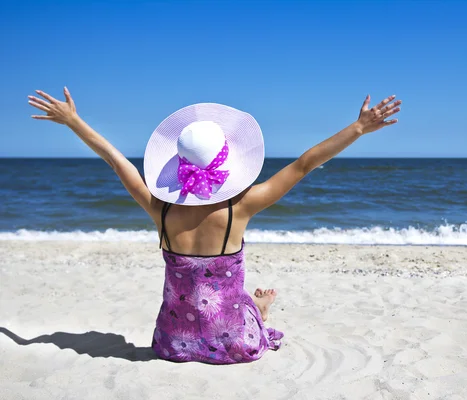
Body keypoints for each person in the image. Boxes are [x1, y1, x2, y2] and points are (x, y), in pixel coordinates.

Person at [27, 87, 401, 364]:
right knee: (243, 308)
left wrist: (73, 121)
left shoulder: (159, 209)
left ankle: (253, 305)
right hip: (232, 342)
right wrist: (358, 129)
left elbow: (114, 160)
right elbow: (304, 165)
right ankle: (259, 308)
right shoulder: (241, 207)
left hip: (173, 344)